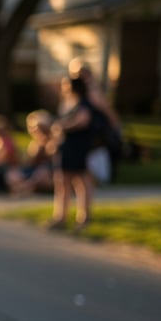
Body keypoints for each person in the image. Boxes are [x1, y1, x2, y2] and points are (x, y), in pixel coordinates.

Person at [48, 76, 97, 231]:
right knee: (62, 181)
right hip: (65, 147)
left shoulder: (84, 104)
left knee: (79, 180)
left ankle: (83, 217)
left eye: (66, 85)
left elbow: (83, 121)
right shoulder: (68, 104)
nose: (63, 88)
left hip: (76, 147)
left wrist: (63, 126)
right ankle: (60, 217)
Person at [8, 110, 55, 196]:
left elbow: (53, 158)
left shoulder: (52, 141)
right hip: (33, 170)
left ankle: (24, 188)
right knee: (13, 174)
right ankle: (23, 188)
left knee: (42, 172)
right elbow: (29, 162)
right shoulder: (34, 143)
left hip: (48, 171)